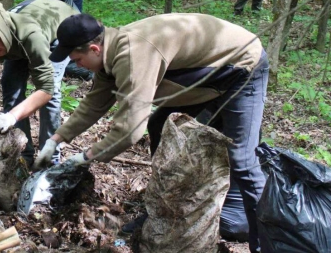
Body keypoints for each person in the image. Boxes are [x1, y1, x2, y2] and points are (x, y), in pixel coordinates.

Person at [34, 13, 269, 253]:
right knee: (160, 124)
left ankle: (267, 242)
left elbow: (130, 130)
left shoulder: (134, 55)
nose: (77, 66)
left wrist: (83, 158)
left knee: (242, 158)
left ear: (94, 48)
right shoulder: (109, 54)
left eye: (78, 59)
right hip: (202, 74)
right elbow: (94, 104)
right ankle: (162, 211)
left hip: (242, 67)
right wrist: (56, 139)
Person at [0, 0, 79, 182]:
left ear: (3, 33)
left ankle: (50, 159)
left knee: (50, 96)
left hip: (58, 33)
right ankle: (24, 154)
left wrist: (11, 116)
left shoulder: (31, 35)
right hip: (15, 43)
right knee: (10, 85)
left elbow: (46, 89)